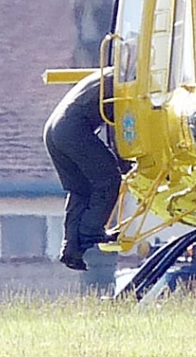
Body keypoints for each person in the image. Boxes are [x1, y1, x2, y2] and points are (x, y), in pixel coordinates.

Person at [43, 68, 120, 271]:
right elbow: (118, 130)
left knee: (80, 190)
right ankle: (92, 231)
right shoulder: (126, 82)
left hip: (53, 129)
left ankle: (71, 251)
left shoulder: (108, 74)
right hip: (73, 129)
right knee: (109, 178)